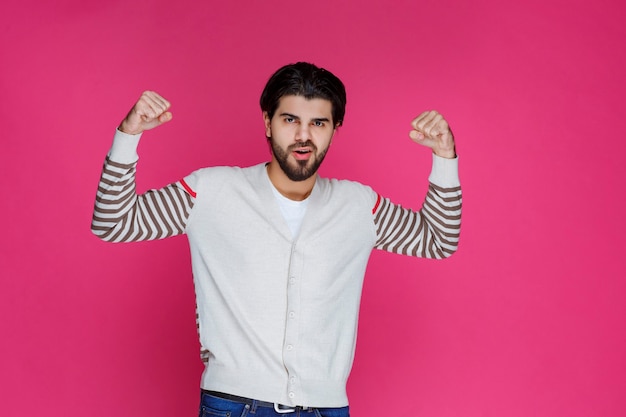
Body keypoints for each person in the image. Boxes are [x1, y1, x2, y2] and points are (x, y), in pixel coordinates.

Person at [91, 62, 462, 417]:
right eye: (290, 120)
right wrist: (129, 135)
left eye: (318, 122)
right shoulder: (211, 191)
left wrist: (444, 157)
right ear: (268, 122)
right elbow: (114, 222)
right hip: (234, 405)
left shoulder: (358, 205)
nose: (304, 136)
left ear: (335, 129)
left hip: (327, 407)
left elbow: (437, 240)